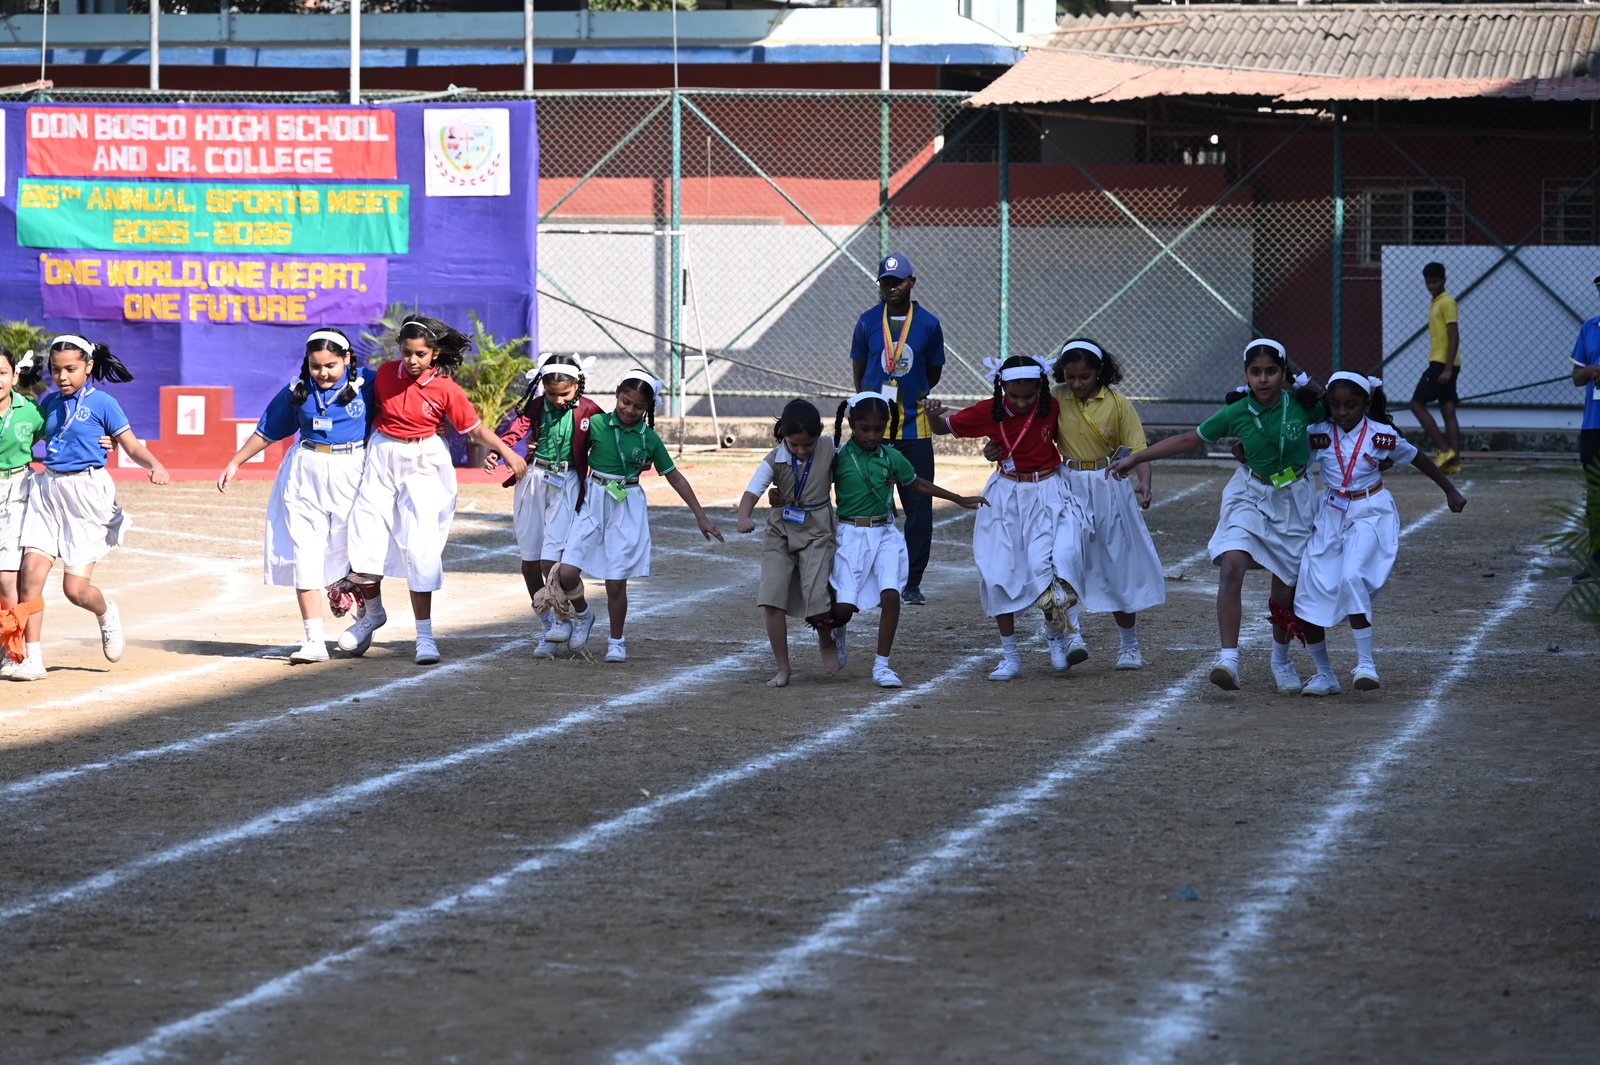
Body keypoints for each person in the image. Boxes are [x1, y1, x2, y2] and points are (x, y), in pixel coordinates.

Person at [1109, 338, 1325, 694]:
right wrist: (1136, 458)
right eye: (1255, 372)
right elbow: (1188, 440)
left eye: (1271, 371)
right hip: (1250, 494)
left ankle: (1281, 660)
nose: (1263, 379)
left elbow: (1346, 415)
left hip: (1294, 499)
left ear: (1285, 373)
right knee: (1231, 565)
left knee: (1285, 588)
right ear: (1246, 374)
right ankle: (1228, 659)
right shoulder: (1236, 412)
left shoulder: (1303, 406)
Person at [336, 314, 528, 666]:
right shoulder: (383, 376)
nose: (412, 360)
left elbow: (475, 429)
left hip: (424, 461)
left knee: (420, 547)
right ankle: (372, 615)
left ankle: (424, 636)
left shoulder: (446, 388)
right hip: (382, 454)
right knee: (363, 536)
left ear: (435, 353)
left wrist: (508, 451)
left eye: (420, 354)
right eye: (406, 352)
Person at [12, 335, 169, 682]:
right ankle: (32, 659)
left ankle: (105, 613)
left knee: (75, 591)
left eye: (70, 369)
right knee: (30, 576)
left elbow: (130, 445)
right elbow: (26, 436)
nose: (62, 377)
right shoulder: (49, 403)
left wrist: (155, 465)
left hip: (85, 494)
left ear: (88, 366)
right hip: (46, 490)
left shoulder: (104, 404)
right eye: (56, 370)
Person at [1296, 372, 1466, 693]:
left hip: (1369, 511)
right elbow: (1290, 455)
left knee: (1352, 575)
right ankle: (1325, 674)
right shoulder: (1317, 433)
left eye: (1350, 405)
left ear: (1366, 404)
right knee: (1308, 588)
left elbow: (1417, 458)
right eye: (1335, 405)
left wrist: (1450, 490)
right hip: (1330, 512)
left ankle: (1365, 664)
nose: (1342, 412)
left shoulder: (1381, 436)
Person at [924, 355, 1088, 682]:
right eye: (1015, 396)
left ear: (1040, 388)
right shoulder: (988, 410)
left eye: (1029, 395)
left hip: (1048, 490)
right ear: (1002, 388)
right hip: (1005, 495)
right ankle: (1010, 656)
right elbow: (944, 428)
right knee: (997, 572)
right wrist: (932, 415)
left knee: (1052, 564)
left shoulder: (1052, 406)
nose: (1023, 402)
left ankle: (1060, 635)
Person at [217, 328, 374, 665]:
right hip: (305, 472)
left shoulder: (368, 383)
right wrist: (235, 462)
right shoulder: (298, 390)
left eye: (331, 365)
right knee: (305, 553)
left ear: (347, 359)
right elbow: (267, 431)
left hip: (353, 471)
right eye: (316, 366)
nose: (323, 373)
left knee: (354, 553)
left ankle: (366, 617)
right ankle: (314, 640)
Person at [550, 372, 724, 663]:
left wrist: (701, 516)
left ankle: (616, 641)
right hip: (593, 500)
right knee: (567, 573)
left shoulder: (649, 439)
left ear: (648, 408)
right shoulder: (596, 423)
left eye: (638, 406)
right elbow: (571, 447)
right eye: (625, 402)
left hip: (626, 505)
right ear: (617, 395)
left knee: (615, 581)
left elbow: (675, 477)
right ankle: (583, 614)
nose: (630, 410)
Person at [825, 391, 987, 689]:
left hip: (885, 533)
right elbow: (814, 486)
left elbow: (917, 483)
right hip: (850, 535)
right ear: (851, 423)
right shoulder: (838, 457)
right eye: (864, 429)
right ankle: (838, 631)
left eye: (879, 429)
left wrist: (958, 498)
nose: (872, 435)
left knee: (891, 596)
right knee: (843, 610)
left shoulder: (892, 456)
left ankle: (882, 665)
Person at [1048, 338, 1166, 671]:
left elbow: (1138, 449)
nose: (1076, 384)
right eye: (1070, 377)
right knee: (1062, 558)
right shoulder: (1055, 396)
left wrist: (1145, 482)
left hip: (1109, 483)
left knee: (1117, 565)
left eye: (1084, 377)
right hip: (1067, 484)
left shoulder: (1118, 403)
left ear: (1100, 371)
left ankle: (1129, 647)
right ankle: (1072, 636)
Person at [488, 352, 603, 655]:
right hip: (533, 479)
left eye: (564, 394)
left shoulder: (591, 410)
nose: (557, 400)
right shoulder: (537, 405)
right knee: (529, 564)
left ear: (578, 384)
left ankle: (570, 616)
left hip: (567, 483)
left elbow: (608, 438)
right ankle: (547, 624)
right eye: (551, 394)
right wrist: (499, 452)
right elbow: (515, 430)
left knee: (550, 561)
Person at [850, 252, 945, 606]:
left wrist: (913, 392)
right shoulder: (867, 322)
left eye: (898, 281)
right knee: (871, 506)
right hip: (874, 431)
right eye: (886, 282)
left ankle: (913, 582)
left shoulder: (929, 324)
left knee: (919, 509)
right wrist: (869, 407)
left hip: (914, 430)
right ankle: (873, 577)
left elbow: (932, 372)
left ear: (911, 282)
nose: (892, 288)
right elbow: (860, 370)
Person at [735, 399, 838, 688]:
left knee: (816, 595)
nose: (801, 451)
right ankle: (783, 667)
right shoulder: (774, 459)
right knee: (771, 598)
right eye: (794, 445)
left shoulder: (831, 449)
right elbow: (752, 491)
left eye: (808, 445)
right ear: (783, 436)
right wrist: (743, 516)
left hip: (817, 531)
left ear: (819, 434)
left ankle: (826, 639)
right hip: (780, 531)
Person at [0, 348, 46, 680]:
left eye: (1, 372)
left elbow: (61, 433)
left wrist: (102, 440)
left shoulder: (30, 411)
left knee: (6, 579)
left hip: (17, 492)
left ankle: (14, 651)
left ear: (14, 375)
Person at [1410, 261, 1463, 475]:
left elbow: (1454, 335)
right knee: (1447, 408)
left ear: (1444, 280)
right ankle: (1454, 462)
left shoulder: (1447, 302)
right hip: (1444, 363)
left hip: (1442, 363)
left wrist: (1447, 368)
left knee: (1416, 404)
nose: (1431, 286)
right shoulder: (1436, 301)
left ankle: (1444, 450)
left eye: (1435, 281)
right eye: (1428, 282)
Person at [1569, 275, 1600, 583]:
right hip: (1594, 424)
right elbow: (1576, 377)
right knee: (1595, 496)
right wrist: (1590, 370)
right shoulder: (1589, 328)